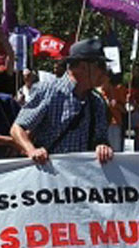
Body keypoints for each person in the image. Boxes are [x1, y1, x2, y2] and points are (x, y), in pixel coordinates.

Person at [11, 37, 113, 165]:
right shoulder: (48, 91)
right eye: (100, 65)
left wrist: (102, 146)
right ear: (83, 67)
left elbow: (102, 138)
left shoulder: (97, 102)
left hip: (84, 179)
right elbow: (17, 129)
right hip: (50, 179)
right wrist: (32, 151)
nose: (104, 71)